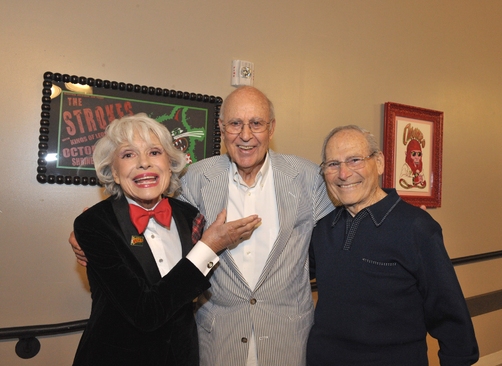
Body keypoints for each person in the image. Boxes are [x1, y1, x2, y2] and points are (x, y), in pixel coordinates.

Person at [70, 87, 335, 366]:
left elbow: (334, 241)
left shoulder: (307, 177)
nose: (245, 135)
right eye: (235, 124)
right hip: (212, 342)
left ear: (271, 128)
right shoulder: (194, 181)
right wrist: (83, 236)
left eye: (256, 123)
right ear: (221, 128)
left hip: (285, 340)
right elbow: (144, 296)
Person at [71, 113, 260, 366]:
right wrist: (208, 247)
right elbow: (146, 312)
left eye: (154, 153)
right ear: (114, 172)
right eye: (128, 155)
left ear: (170, 165)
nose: (143, 163)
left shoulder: (189, 215)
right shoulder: (94, 224)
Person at [307, 125, 478, 366]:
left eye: (354, 160)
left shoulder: (416, 227)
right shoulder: (323, 229)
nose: (343, 174)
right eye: (333, 164)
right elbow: (288, 274)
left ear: (379, 163)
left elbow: (449, 314)